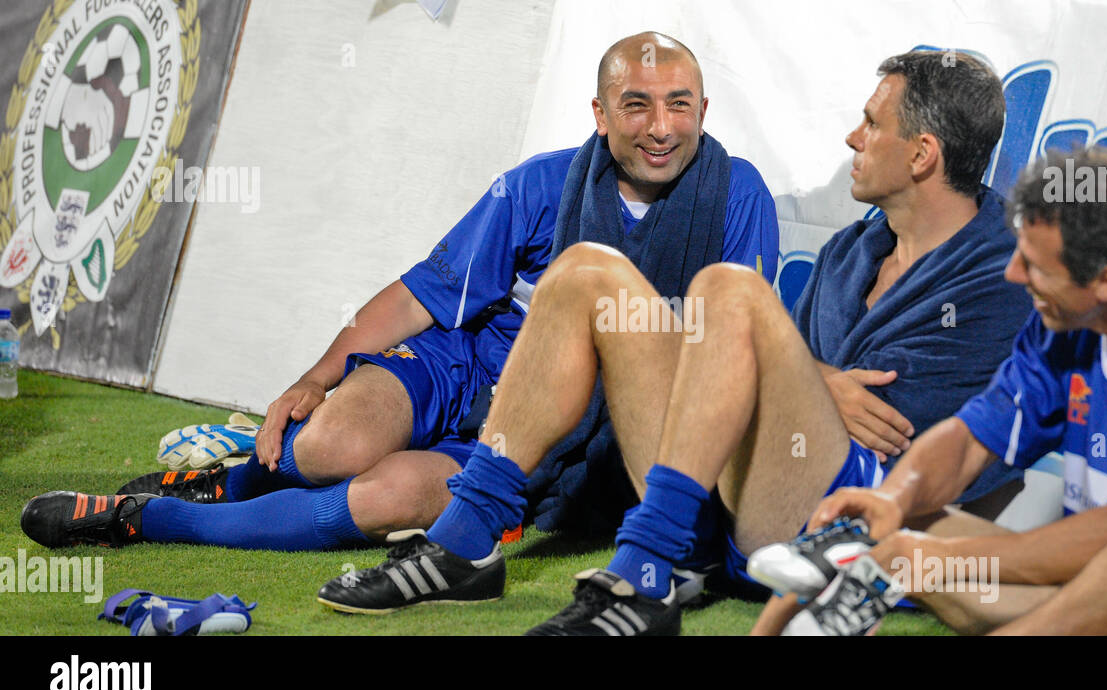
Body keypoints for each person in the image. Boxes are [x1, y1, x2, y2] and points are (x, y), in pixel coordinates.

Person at [314, 50, 1033, 636]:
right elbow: (797, 391)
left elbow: (901, 443)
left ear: (922, 155)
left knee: (728, 290)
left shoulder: (997, 273)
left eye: (871, 124)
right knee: (583, 272)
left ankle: (644, 574)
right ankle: (467, 541)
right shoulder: (856, 248)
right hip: (719, 500)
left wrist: (801, 381)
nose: (852, 138)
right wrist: (812, 376)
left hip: (827, 528)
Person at [19, 31, 778, 553]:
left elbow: (733, 353)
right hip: (471, 359)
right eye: (637, 104)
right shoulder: (541, 182)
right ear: (601, 114)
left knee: (382, 498)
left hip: (557, 428)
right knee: (325, 445)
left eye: (680, 103)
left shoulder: (738, 196)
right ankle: (236, 476)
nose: (661, 126)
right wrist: (316, 377)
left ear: (705, 112)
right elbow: (421, 293)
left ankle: (149, 517)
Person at [760, 146, 1107, 636]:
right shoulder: (1064, 321)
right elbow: (971, 439)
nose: (1014, 274)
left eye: (1034, 265)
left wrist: (926, 562)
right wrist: (892, 502)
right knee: (909, 513)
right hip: (1094, 596)